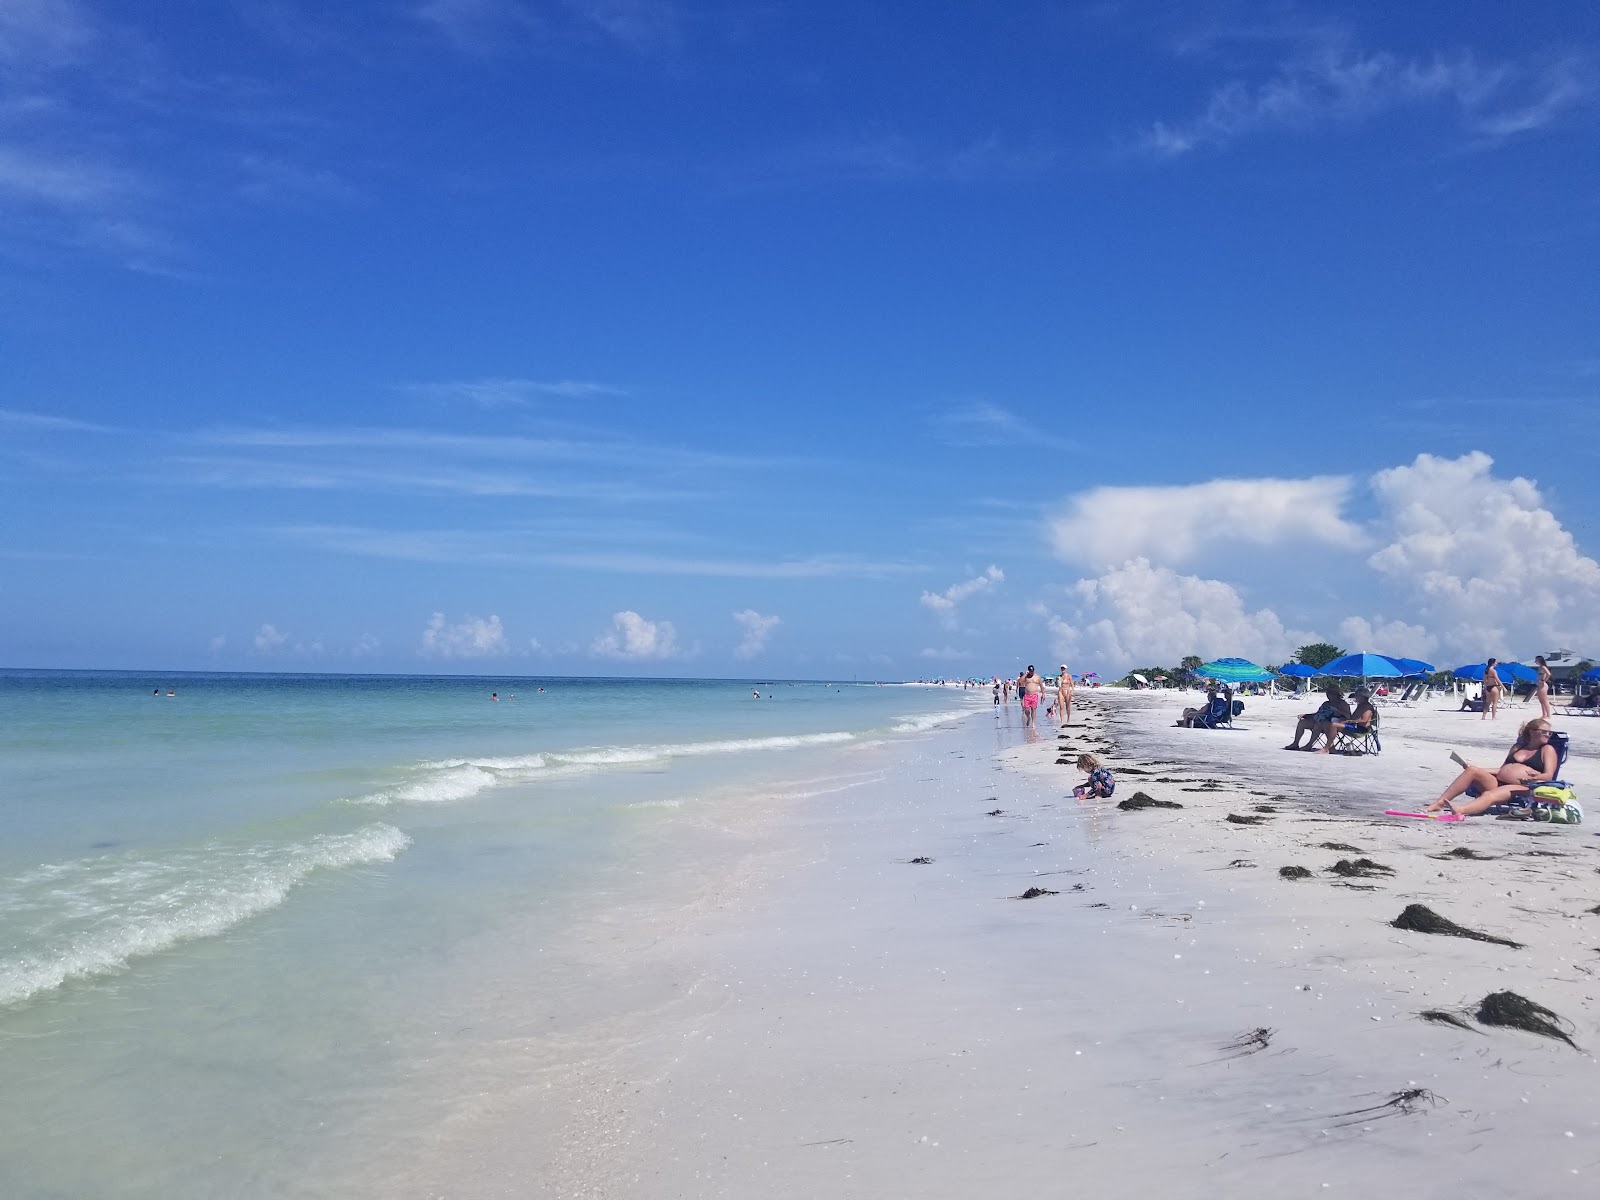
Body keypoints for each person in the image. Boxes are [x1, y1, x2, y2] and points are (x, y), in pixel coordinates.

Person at [1423, 717, 1558, 815]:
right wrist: (1478, 769)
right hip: (1499, 781)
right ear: (1532, 732)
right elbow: (1503, 769)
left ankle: (1461, 810)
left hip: (1522, 787)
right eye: (1544, 731)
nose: (1548, 735)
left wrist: (1536, 777)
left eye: (1549, 733)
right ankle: (1439, 803)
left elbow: (1549, 775)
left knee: (1488, 794)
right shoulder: (1518, 747)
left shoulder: (1547, 750)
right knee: (1472, 771)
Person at [1284, 685, 1351, 749]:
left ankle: (1309, 744)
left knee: (1318, 724)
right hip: (1321, 721)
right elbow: (1318, 714)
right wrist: (1306, 715)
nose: (1328, 695)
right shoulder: (1326, 703)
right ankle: (1295, 743)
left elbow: (1348, 717)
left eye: (1330, 693)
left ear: (1336, 694)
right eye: (1327, 693)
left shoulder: (1343, 704)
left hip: (1333, 724)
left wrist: (1340, 713)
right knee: (1302, 722)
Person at [1314, 687, 1374, 754]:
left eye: (1357, 696)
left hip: (1361, 729)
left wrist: (1348, 721)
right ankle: (1331, 748)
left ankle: (1326, 748)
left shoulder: (1367, 707)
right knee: (1327, 723)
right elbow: (1353, 717)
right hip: (1355, 726)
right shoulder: (1361, 705)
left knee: (1334, 725)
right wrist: (1344, 717)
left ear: (1362, 697)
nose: (1355, 697)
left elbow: (1364, 720)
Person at [1532, 655, 1552, 721]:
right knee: (1541, 701)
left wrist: (1544, 680)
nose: (1535, 662)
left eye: (1536, 660)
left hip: (1543, 685)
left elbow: (1548, 674)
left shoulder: (1543, 667)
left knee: (1545, 700)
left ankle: (1548, 715)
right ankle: (1544, 714)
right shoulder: (1539, 668)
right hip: (1540, 684)